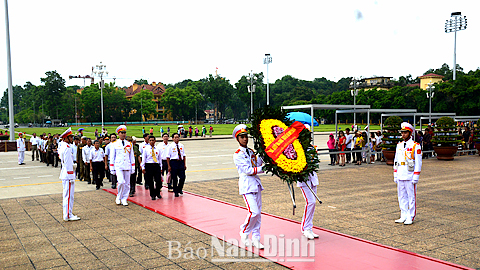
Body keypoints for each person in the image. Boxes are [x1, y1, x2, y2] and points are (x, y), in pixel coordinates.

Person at [232, 124, 265, 249]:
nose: (245, 139)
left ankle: (256, 238)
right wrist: (264, 168)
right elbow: (248, 170)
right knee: (253, 212)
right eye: (242, 137)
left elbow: (256, 164)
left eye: (246, 136)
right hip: (247, 185)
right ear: (238, 139)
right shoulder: (237, 154)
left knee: (258, 214)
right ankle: (244, 231)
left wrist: (262, 154)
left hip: (256, 184)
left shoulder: (251, 151)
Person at [394, 122, 423, 225]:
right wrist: (395, 174)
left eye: (405, 133)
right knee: (401, 196)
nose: (403, 135)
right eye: (402, 133)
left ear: (410, 133)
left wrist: (416, 176)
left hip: (410, 174)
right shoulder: (399, 145)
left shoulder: (415, 146)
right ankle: (403, 215)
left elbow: (418, 163)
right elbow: (396, 160)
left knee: (411, 197)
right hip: (401, 173)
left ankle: (410, 216)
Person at [109, 125, 135, 206]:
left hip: (127, 165)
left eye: (124, 133)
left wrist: (133, 166)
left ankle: (124, 198)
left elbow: (131, 156)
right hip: (119, 165)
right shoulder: (114, 144)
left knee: (127, 184)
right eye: (121, 133)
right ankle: (118, 197)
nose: (123, 134)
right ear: (118, 134)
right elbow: (112, 156)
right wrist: (112, 168)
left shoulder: (129, 144)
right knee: (121, 182)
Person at [58, 128, 80, 222]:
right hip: (68, 174)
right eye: (71, 137)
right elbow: (67, 163)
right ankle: (68, 215)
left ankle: (68, 214)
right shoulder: (67, 148)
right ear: (66, 138)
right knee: (68, 196)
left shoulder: (63, 146)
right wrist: (71, 175)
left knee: (67, 195)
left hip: (65, 173)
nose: (72, 138)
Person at [298, 171, 320, 240]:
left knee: (313, 204)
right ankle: (305, 228)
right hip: (303, 179)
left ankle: (309, 227)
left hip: (312, 178)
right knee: (311, 202)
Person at [141, 135, 163, 200]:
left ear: (155, 141)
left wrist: (161, 167)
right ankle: (152, 194)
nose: (151, 142)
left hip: (156, 165)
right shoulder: (146, 149)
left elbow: (160, 158)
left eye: (153, 140)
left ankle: (157, 193)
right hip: (149, 165)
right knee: (150, 181)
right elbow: (144, 159)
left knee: (158, 181)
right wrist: (143, 167)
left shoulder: (158, 149)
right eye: (150, 140)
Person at [166, 133, 187, 197]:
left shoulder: (181, 145)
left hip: (180, 162)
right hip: (174, 162)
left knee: (182, 177)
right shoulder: (170, 146)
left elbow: (183, 155)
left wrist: (184, 164)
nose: (177, 139)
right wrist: (169, 166)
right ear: (172, 138)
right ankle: (175, 191)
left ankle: (179, 188)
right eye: (175, 137)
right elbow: (168, 157)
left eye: (178, 137)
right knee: (174, 178)